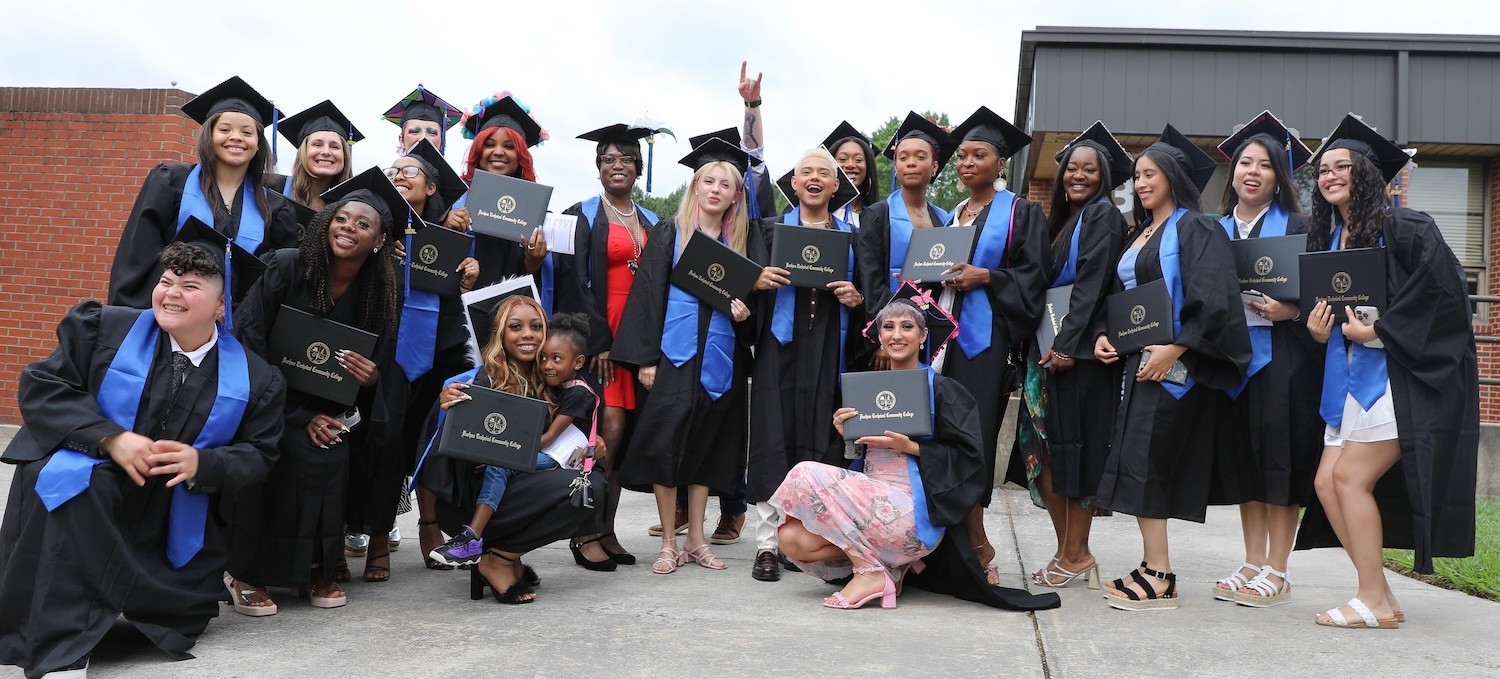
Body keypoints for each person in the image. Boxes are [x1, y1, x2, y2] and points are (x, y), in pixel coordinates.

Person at [0, 231, 284, 679]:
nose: (171, 293)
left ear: (221, 306)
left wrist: (201, 463)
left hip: (165, 506)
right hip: (91, 474)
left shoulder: (256, 378)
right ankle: (62, 649)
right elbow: (43, 386)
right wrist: (109, 437)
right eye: (167, 279)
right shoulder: (103, 327)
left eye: (191, 286)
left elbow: (260, 454)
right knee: (77, 484)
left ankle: (116, 603)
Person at [1295, 114, 1478, 629]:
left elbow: (1446, 301)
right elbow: (1333, 314)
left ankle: (1372, 599)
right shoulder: (1330, 237)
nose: (1329, 176)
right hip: (1347, 380)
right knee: (1328, 484)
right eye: (1323, 170)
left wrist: (1378, 332)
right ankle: (1380, 596)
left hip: (1400, 378)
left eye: (1341, 167)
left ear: (1368, 175)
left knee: (1350, 478)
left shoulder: (1407, 227)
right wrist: (1318, 329)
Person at [771, 293, 1061, 613]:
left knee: (803, 472)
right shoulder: (867, 391)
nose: (897, 335)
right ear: (879, 336)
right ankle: (885, 569)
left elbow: (970, 460)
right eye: (889, 327)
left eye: (907, 326)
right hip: (869, 506)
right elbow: (856, 460)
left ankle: (868, 573)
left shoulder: (943, 391)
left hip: (911, 515)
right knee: (791, 539)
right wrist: (846, 437)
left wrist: (911, 448)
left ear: (923, 336)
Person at [224, 169, 404, 613]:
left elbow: (378, 366)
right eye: (343, 218)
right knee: (276, 449)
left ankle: (315, 570)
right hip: (264, 402)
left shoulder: (379, 291)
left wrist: (370, 379)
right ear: (327, 223)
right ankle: (243, 571)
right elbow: (248, 343)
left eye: (364, 224)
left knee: (331, 453)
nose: (350, 228)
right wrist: (295, 415)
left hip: (329, 409)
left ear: (379, 240)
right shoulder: (286, 265)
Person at [1094, 125, 1251, 611]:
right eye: (1137, 176)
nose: (1140, 183)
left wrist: (1177, 349)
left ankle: (1160, 575)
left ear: (1173, 177)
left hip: (1174, 370)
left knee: (1149, 463)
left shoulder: (1194, 227)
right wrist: (1109, 337)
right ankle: (1151, 565)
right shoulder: (1138, 232)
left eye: (1150, 174)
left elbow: (1214, 299)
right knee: (1136, 462)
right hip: (1138, 364)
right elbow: (1128, 301)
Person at [612, 133, 768, 575]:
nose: (716, 189)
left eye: (726, 184)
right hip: (673, 355)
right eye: (708, 181)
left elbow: (756, 310)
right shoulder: (670, 233)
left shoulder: (743, 240)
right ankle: (668, 541)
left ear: (737, 194)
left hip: (720, 360)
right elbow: (648, 296)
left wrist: (743, 315)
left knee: (707, 447)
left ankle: (697, 540)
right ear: (695, 187)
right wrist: (645, 358)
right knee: (666, 444)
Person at [416, 297, 610, 604]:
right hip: (474, 497)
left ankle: (502, 556)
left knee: (591, 486)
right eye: (515, 327)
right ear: (500, 335)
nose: (528, 334)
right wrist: (447, 410)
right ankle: (494, 557)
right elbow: (437, 454)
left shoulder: (554, 379)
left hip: (521, 485)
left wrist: (593, 447)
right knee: (581, 487)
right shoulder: (476, 382)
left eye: (536, 326)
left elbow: (572, 439)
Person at [1207, 112, 1324, 607]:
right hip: (1230, 360)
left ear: (1280, 177)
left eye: (1265, 165)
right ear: (1232, 173)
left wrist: (1291, 310)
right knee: (1245, 462)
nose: (1252, 172)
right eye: (1245, 163)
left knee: (1281, 461)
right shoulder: (1212, 229)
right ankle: (1252, 560)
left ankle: (1278, 567)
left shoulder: (1301, 227)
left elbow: (1323, 297)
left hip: (1283, 359)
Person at [1013, 122, 1130, 590]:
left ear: (1103, 176)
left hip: (1076, 354)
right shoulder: (1063, 221)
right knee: (1043, 454)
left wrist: (1067, 344)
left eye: (1088, 169)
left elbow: (1094, 283)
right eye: (1071, 169)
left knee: (1074, 452)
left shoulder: (1102, 217)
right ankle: (1070, 551)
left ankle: (1076, 552)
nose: (1077, 176)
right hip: (1049, 350)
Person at [939, 106, 1050, 583]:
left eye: (978, 154)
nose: (966, 163)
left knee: (974, 439)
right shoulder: (950, 216)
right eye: (961, 155)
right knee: (939, 438)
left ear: (1001, 162)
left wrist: (987, 276)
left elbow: (1036, 277)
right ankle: (945, 540)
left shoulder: (1020, 213)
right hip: (939, 340)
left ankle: (977, 542)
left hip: (983, 346)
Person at [746, 147, 866, 582]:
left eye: (824, 173)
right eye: (805, 172)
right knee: (772, 437)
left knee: (822, 441)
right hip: (780, 346)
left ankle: (809, 538)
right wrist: (756, 281)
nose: (814, 178)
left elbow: (868, 295)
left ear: (837, 186)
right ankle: (766, 544)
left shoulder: (854, 237)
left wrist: (858, 299)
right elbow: (745, 287)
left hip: (829, 349)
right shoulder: (769, 230)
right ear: (793, 184)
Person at [560, 122, 671, 567]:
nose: (617, 165)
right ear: (598, 167)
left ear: (639, 168)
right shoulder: (583, 213)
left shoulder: (652, 221)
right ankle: (583, 532)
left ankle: (606, 529)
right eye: (608, 159)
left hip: (638, 342)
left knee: (624, 442)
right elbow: (573, 281)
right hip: (600, 344)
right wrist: (599, 341)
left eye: (626, 159)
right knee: (604, 434)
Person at [108, 76, 299, 309]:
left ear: (258, 143)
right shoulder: (170, 182)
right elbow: (137, 255)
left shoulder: (275, 207)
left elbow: (275, 281)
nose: (236, 137)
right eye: (225, 129)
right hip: (166, 314)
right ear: (209, 136)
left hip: (233, 324)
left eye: (247, 132)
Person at [856, 112, 955, 316]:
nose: (911, 163)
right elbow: (871, 282)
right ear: (895, 167)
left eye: (920, 157)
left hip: (935, 321)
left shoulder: (945, 219)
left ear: (934, 167)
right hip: (889, 327)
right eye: (903, 157)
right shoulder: (877, 215)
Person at [265, 100, 361, 210]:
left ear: (344, 155)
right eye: (317, 145)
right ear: (303, 152)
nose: (326, 152)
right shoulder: (271, 188)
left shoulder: (355, 203)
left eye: (334, 147)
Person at [823, 121, 881, 227]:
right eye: (843, 159)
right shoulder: (814, 212)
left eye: (858, 160)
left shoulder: (877, 217)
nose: (850, 165)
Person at [383, 84, 463, 154]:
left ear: (442, 141)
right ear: (401, 140)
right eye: (414, 132)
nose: (423, 138)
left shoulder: (450, 172)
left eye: (432, 133)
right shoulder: (389, 171)